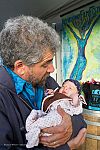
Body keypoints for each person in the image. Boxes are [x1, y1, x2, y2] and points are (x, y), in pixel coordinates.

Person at [0, 15, 86, 150]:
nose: (52, 69)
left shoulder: (47, 81)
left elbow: (80, 120)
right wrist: (67, 147)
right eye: (46, 63)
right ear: (20, 67)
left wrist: (71, 123)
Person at [25, 79, 87, 148]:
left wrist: (75, 98)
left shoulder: (48, 80)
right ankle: (33, 129)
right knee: (37, 115)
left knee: (45, 121)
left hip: (58, 116)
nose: (65, 88)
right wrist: (51, 93)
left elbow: (81, 122)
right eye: (63, 86)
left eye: (70, 88)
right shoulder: (58, 94)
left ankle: (33, 129)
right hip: (49, 115)